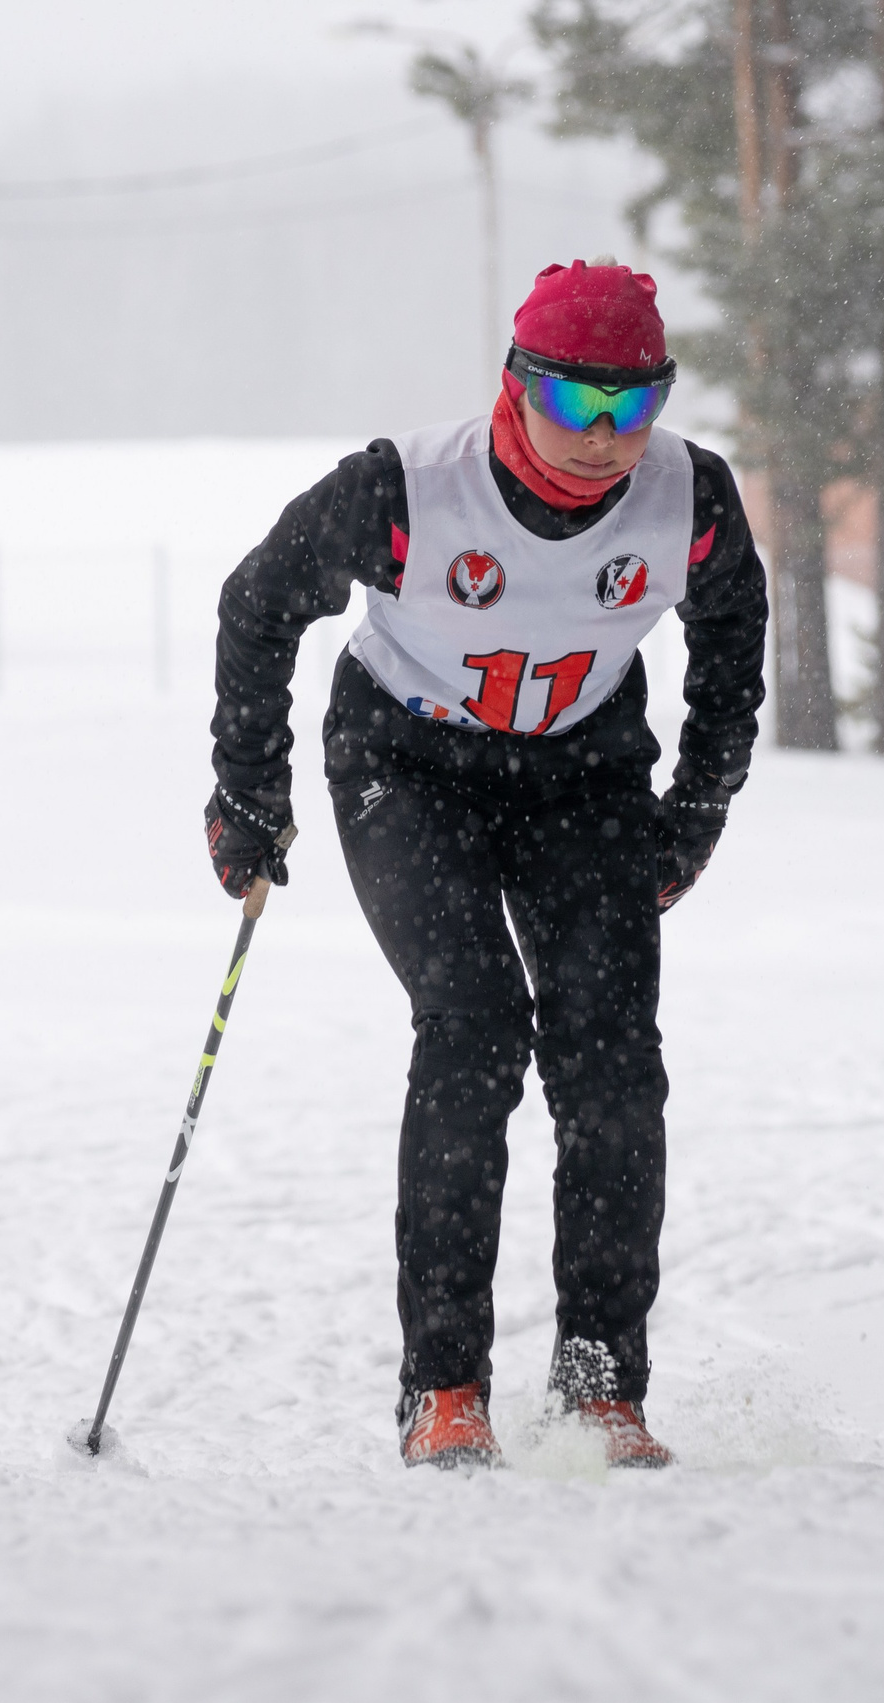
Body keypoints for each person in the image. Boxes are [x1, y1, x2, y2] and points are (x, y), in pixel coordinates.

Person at [203, 258, 769, 1470]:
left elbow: (733, 638)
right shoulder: (402, 491)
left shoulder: (690, 499)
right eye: (576, 403)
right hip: (409, 766)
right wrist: (248, 791)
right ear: (516, 385)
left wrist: (699, 805)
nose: (605, 437)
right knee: (473, 1027)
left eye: (635, 404)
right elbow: (255, 605)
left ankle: (599, 1384)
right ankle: (444, 1389)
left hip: (582, 778)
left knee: (613, 1061)